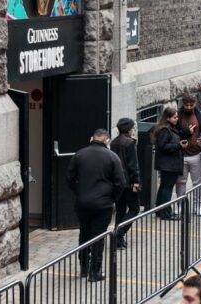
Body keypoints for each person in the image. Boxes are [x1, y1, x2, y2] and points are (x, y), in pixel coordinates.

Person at [66, 128, 126, 281]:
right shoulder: (112, 157)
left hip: (83, 202)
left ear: (91, 138)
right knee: (98, 236)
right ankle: (95, 272)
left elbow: (69, 178)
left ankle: (84, 268)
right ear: (107, 140)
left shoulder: (79, 154)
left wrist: (79, 192)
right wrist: (112, 198)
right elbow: (120, 182)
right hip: (103, 204)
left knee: (84, 234)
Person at [110, 117, 141, 249]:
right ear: (128, 129)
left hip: (117, 182)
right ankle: (120, 233)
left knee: (121, 210)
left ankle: (118, 239)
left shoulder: (114, 142)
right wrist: (136, 181)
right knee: (134, 209)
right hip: (128, 182)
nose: (134, 129)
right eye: (133, 127)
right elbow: (133, 165)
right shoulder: (129, 143)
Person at [176, 94, 201, 217]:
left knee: (198, 183)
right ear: (183, 104)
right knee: (180, 182)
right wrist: (186, 132)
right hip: (181, 155)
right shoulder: (177, 116)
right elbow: (175, 133)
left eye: (191, 105)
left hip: (197, 155)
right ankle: (179, 205)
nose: (189, 107)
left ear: (195, 104)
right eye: (186, 105)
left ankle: (198, 206)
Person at [152, 107, 186, 220]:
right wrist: (178, 146)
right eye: (174, 117)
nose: (177, 119)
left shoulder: (168, 128)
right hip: (169, 165)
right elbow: (163, 146)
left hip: (168, 164)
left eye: (177, 117)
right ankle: (166, 213)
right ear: (168, 118)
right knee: (167, 188)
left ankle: (160, 211)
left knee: (164, 187)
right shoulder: (165, 130)